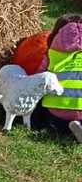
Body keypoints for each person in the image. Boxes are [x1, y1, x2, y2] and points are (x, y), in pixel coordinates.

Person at [33, 14, 82, 143]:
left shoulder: (52, 54)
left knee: (41, 104)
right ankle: (77, 127)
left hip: (57, 112)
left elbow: (39, 79)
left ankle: (39, 124)